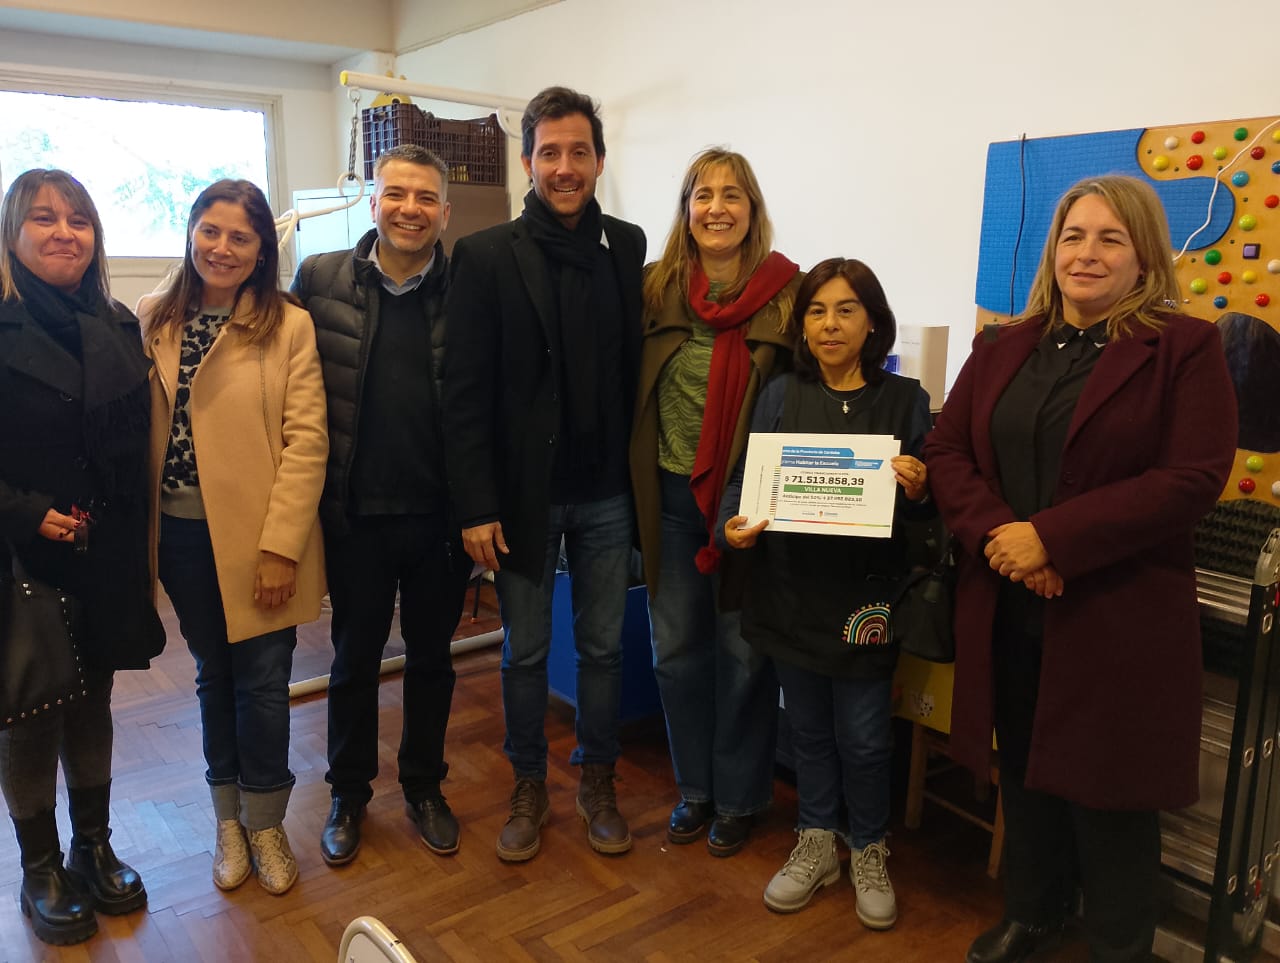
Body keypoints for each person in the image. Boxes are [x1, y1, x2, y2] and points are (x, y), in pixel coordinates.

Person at [924, 175, 1237, 963]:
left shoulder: (1185, 348)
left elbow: (1192, 477)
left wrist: (1053, 539)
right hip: (1010, 603)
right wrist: (1007, 540)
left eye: (1109, 238)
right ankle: (1034, 911)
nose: (1086, 253)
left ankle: (1119, 945)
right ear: (1052, 251)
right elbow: (947, 450)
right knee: (1026, 771)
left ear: (1144, 257)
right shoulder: (1002, 346)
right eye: (1073, 236)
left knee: (1111, 795)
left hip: (1116, 612)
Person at [444, 86, 645, 862]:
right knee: (524, 651)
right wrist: (476, 504)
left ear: (600, 160)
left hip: (606, 492)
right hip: (522, 497)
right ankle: (528, 782)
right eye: (550, 153)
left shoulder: (626, 247)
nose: (565, 167)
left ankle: (598, 780)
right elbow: (464, 394)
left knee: (603, 650)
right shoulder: (486, 255)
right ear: (527, 162)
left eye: (579, 152)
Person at [721, 257, 930, 928]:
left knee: (865, 740)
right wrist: (734, 525)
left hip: (866, 603)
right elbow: (745, 481)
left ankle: (867, 846)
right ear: (802, 325)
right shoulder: (780, 394)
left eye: (846, 309)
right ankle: (816, 842)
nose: (830, 324)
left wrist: (919, 489)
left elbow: (930, 514)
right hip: (789, 591)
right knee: (809, 732)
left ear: (873, 323)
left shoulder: (906, 401)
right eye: (817, 311)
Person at [139, 179, 328, 896]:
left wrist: (281, 546)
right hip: (181, 536)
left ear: (261, 251)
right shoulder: (154, 316)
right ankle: (228, 820)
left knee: (265, 682)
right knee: (214, 675)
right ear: (191, 234)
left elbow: (307, 442)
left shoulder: (288, 325)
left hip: (261, 541)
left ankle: (267, 821)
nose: (222, 247)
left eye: (240, 237)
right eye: (210, 231)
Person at [293, 145, 472, 865]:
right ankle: (349, 793)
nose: (409, 209)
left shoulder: (469, 291)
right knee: (353, 660)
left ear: (445, 213)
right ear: (373, 203)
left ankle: (424, 786)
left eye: (425, 198)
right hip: (355, 515)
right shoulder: (319, 279)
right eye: (396, 193)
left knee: (432, 660)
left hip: (440, 519)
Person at [0, 168, 164, 945]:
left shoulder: (118, 321)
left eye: (79, 219)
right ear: (13, 234)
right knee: (32, 712)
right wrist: (26, 512)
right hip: (21, 559)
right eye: (44, 218)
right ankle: (40, 865)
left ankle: (92, 845)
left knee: (93, 701)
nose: (64, 232)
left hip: (104, 551)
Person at [629, 148, 800, 857]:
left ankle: (739, 797)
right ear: (686, 208)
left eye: (733, 195)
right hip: (669, 497)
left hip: (748, 508)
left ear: (752, 210)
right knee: (676, 653)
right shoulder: (654, 288)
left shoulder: (789, 294)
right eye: (703, 194)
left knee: (743, 656)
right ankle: (695, 788)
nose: (717, 208)